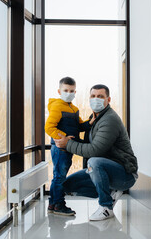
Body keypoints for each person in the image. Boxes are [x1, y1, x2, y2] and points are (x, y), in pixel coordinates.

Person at [54, 84, 138, 221]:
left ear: (108, 100)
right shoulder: (95, 119)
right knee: (67, 186)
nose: (96, 99)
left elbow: (95, 150)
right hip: (106, 169)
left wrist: (68, 144)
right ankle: (111, 191)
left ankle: (106, 207)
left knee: (94, 161)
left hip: (125, 173)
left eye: (100, 96)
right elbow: (89, 145)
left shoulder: (109, 119)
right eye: (93, 96)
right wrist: (68, 140)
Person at [45, 77, 94, 216]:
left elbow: (79, 126)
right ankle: (59, 204)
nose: (69, 93)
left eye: (71, 91)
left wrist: (90, 122)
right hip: (60, 148)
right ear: (59, 91)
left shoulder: (74, 109)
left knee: (59, 176)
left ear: (75, 92)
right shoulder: (57, 106)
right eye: (66, 90)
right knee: (59, 177)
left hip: (68, 148)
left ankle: (53, 204)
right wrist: (63, 137)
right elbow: (49, 127)